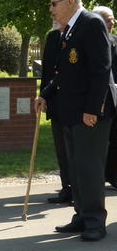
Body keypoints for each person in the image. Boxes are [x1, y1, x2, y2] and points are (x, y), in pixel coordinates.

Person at [35, 0, 116, 241]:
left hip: (89, 113)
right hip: (70, 111)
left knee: (89, 168)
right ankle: (81, 216)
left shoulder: (91, 23)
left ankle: (95, 222)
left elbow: (101, 70)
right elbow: (64, 73)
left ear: (71, 1)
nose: (51, 10)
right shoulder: (69, 29)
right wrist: (45, 94)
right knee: (76, 167)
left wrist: (93, 108)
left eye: (54, 4)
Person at [40, 22, 72, 205]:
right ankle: (66, 188)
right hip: (55, 100)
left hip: (74, 102)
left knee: (74, 151)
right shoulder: (52, 37)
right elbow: (47, 71)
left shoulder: (79, 33)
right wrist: (44, 95)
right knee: (61, 150)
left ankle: (79, 191)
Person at [92, 6, 117, 189]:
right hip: (97, 100)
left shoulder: (115, 41)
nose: (113, 23)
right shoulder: (91, 41)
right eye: (108, 19)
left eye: (113, 19)